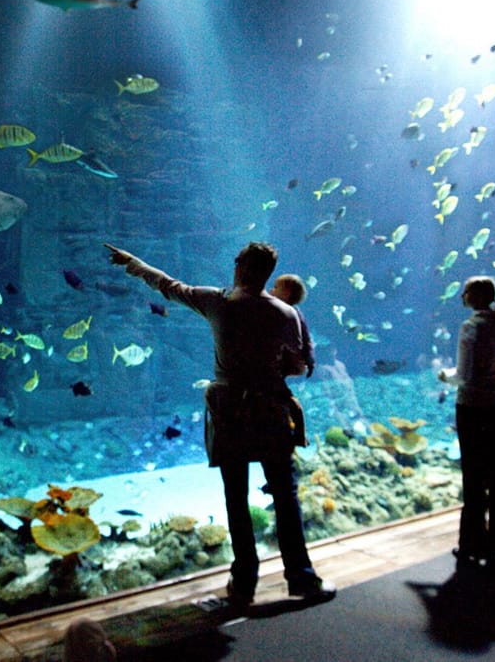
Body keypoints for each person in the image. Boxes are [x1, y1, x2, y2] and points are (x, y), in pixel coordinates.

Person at [104, 241, 334, 605]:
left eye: (237, 260)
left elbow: (168, 285)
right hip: (272, 409)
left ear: (242, 266)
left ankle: (243, 585)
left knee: (236, 497)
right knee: (285, 497)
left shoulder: (218, 302)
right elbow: (299, 366)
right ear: (267, 273)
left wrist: (133, 262)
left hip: (231, 412)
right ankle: (302, 579)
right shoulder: (285, 314)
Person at [436, 276, 495, 574]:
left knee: (473, 475)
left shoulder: (471, 327)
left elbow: (464, 375)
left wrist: (445, 376)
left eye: (465, 291)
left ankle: (472, 542)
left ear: (472, 296)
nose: (462, 296)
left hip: (472, 407)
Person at [270, 272, 316, 447]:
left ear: (287, 294)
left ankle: (299, 435)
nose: (271, 290)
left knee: (284, 395)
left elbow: (306, 338)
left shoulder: (292, 312)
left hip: (289, 361)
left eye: (275, 287)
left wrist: (309, 360)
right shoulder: (275, 308)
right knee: (280, 394)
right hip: (281, 362)